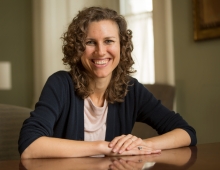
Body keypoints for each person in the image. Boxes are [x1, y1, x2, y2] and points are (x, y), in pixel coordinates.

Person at [18, 6, 197, 159]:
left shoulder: (131, 89)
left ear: (121, 46)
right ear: (78, 48)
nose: (101, 51)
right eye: (90, 42)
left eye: (109, 41)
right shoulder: (60, 84)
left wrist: (142, 144)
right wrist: (105, 147)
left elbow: (186, 133)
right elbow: (29, 146)